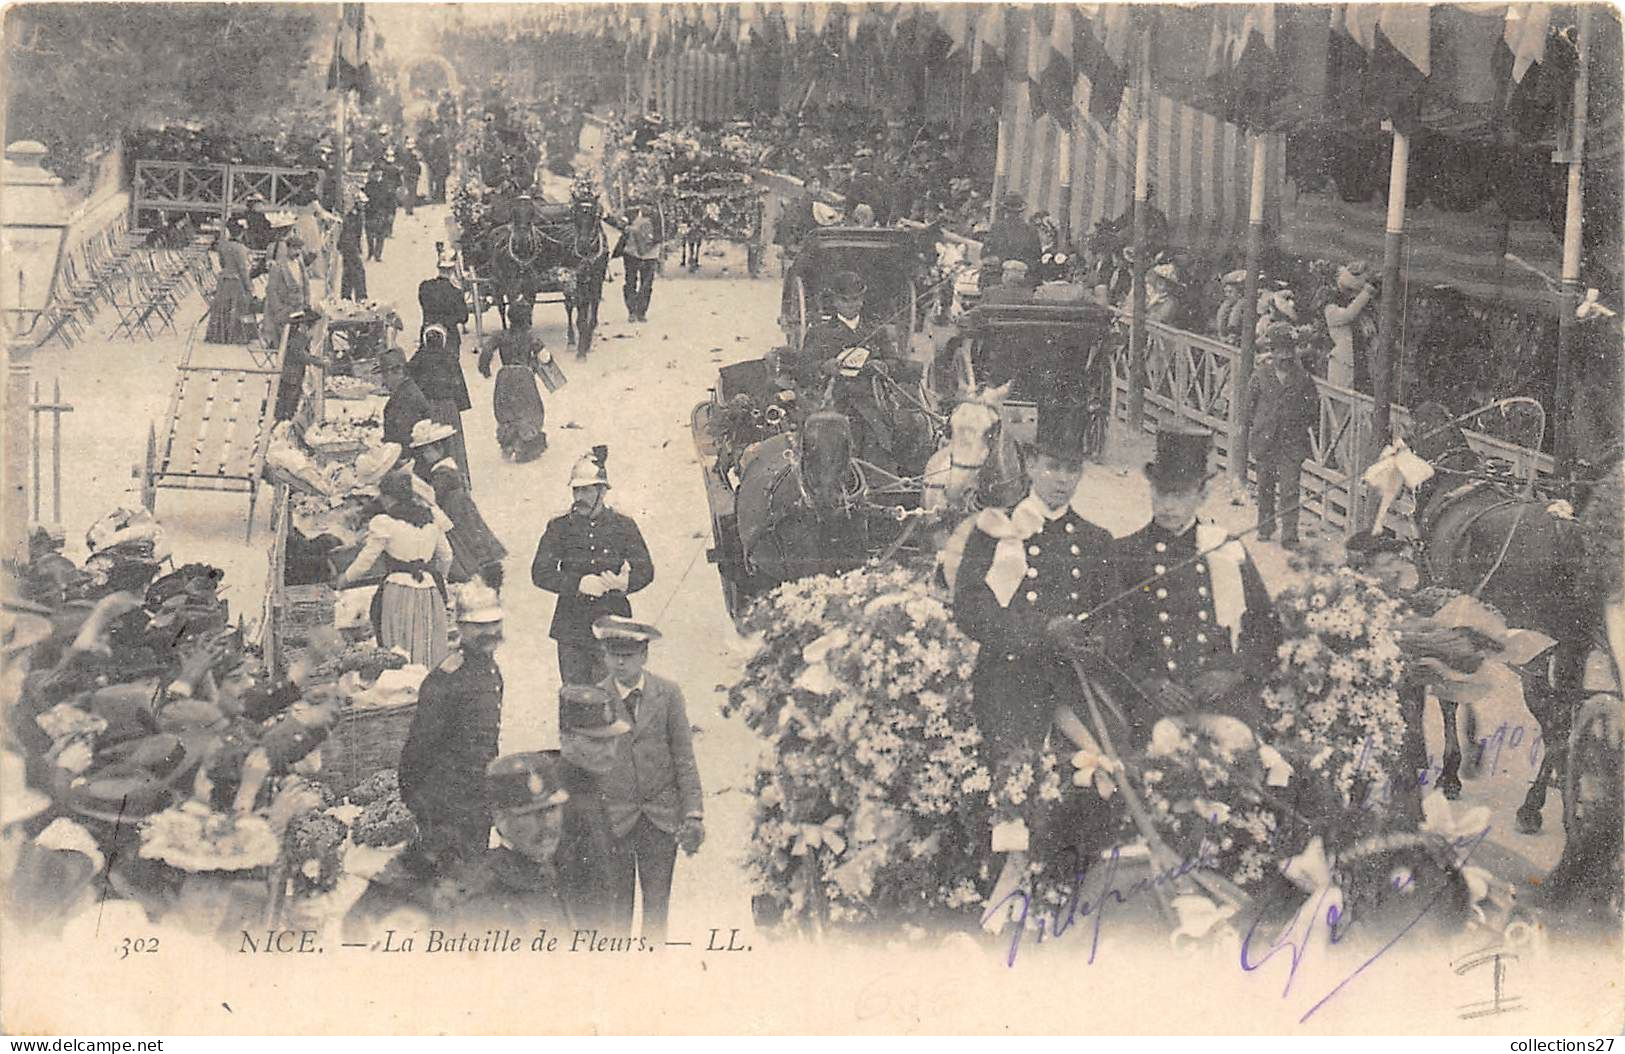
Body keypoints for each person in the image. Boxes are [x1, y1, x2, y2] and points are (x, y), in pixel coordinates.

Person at [954, 399, 1118, 776]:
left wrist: (1101, 640)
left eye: (1072, 469)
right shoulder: (995, 529)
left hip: (1075, 680)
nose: (1062, 480)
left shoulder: (1096, 540)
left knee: (1109, 766)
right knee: (1013, 776)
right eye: (1053, 467)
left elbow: (1114, 614)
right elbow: (969, 608)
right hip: (1010, 677)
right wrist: (1041, 630)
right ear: (1031, 465)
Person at [1110, 425, 1281, 748]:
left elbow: (1265, 626)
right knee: (1165, 747)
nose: (1168, 505)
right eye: (1161, 492)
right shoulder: (1127, 553)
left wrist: (1234, 672)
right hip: (1158, 701)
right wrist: (1150, 683)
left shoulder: (1224, 549)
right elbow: (1115, 637)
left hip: (1220, 695)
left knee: (1238, 742)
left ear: (1202, 494)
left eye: (1180, 494)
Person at [591, 616, 703, 943]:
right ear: (605, 656)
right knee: (615, 910)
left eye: (629, 655)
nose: (621, 662)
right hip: (615, 820)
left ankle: (653, 977)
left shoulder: (667, 694)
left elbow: (683, 756)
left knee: (657, 907)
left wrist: (693, 811)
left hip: (660, 818)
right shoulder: (594, 700)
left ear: (645, 656)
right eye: (614, 654)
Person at [397, 581, 506, 873]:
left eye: (494, 623)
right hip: (447, 804)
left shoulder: (491, 671)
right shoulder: (445, 680)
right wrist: (420, 804)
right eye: (478, 626)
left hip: (478, 799)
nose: (489, 632)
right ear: (460, 627)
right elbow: (418, 750)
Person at [530, 447, 655, 686]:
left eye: (586, 490)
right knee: (575, 696)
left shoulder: (622, 525)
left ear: (602, 491)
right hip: (571, 627)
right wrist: (577, 584)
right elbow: (540, 573)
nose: (579, 497)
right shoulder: (559, 527)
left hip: (613, 625)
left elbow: (646, 569)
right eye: (576, 490)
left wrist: (624, 583)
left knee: (612, 696)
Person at [336, 471, 452, 668]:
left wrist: (345, 578)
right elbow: (446, 555)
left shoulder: (385, 523)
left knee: (398, 639)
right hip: (429, 588)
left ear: (388, 497)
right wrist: (440, 578)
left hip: (398, 589)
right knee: (426, 638)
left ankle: (401, 682)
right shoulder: (431, 518)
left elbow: (366, 560)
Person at [555, 683, 630, 932]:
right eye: (596, 742)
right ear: (565, 739)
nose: (609, 751)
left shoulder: (597, 785)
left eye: (612, 741)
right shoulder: (560, 803)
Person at [409, 419, 507, 585]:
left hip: (454, 511)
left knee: (462, 542)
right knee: (472, 538)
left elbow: (434, 496)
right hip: (461, 509)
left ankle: (473, 572)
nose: (425, 456)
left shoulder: (442, 473)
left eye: (427, 452)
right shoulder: (446, 467)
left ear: (438, 449)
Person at [1246, 327, 1319, 548]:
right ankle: (1265, 526)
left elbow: (1312, 410)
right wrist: (1261, 425)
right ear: (1272, 353)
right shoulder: (1260, 375)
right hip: (1266, 440)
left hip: (1291, 442)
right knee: (1265, 485)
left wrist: (1297, 426)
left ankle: (1290, 536)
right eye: (1280, 353)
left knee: (1290, 489)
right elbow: (1249, 406)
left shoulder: (1304, 379)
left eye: (1289, 354)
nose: (1285, 359)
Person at [477, 297, 550, 462]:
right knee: (528, 410)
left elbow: (487, 350)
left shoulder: (501, 336)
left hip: (504, 376)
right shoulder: (530, 337)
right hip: (524, 376)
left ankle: (507, 442)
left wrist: (485, 368)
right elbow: (545, 357)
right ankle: (525, 443)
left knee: (506, 411)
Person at [408, 325, 472, 489]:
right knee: (453, 443)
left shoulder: (418, 358)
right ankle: (459, 479)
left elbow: (410, 381)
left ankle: (433, 481)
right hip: (449, 405)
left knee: (431, 443)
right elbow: (459, 386)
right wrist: (461, 404)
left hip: (428, 406)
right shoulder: (450, 357)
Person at [1323, 258, 1377, 393]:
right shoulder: (1331, 310)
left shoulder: (1360, 316)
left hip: (1360, 363)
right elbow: (1348, 315)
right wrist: (1366, 292)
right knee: (1340, 404)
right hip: (1343, 363)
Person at [205, 220, 255, 345]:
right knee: (238, 307)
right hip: (236, 281)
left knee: (222, 308)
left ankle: (219, 335)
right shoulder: (241, 248)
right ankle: (236, 336)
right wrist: (249, 286)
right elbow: (243, 269)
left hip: (224, 280)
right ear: (242, 233)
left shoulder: (223, 246)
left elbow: (222, 263)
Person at [260, 235, 310, 352]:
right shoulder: (278, 266)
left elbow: (306, 285)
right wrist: (279, 309)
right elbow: (271, 291)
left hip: (298, 307)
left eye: (299, 249)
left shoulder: (300, 265)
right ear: (287, 248)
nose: (297, 251)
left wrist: (307, 301)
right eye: (294, 248)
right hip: (284, 309)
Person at [418, 247, 470, 356]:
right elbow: (463, 317)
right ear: (452, 270)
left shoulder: (425, 286)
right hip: (449, 336)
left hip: (428, 332)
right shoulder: (455, 292)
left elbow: (423, 304)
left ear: (438, 267)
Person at [380, 346, 432, 449]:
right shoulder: (405, 389)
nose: (383, 382)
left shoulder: (406, 397)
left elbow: (402, 438)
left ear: (398, 372)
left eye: (384, 375)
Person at [620, 206, 660, 324]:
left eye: (649, 204)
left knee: (646, 285)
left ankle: (641, 311)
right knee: (630, 282)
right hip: (631, 253)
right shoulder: (630, 213)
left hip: (650, 254)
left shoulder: (658, 218)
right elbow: (620, 226)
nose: (647, 207)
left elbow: (661, 234)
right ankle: (632, 311)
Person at [984, 193, 1042, 274]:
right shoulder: (1031, 230)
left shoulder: (997, 228)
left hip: (1000, 273)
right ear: (1021, 212)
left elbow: (986, 252)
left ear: (1005, 211)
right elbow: (1036, 256)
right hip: (1023, 274)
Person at [338, 194, 368, 302]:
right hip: (349, 245)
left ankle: (346, 295)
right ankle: (360, 295)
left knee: (348, 271)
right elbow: (351, 231)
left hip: (349, 244)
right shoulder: (354, 215)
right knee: (358, 270)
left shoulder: (356, 214)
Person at [364, 168, 393, 262]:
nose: (376, 174)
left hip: (382, 211)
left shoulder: (386, 185)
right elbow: (365, 197)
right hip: (370, 212)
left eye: (378, 172)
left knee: (380, 235)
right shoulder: (368, 185)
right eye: (374, 172)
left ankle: (378, 254)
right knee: (369, 234)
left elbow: (391, 200)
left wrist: (390, 213)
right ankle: (370, 251)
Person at [399, 143, 422, 217]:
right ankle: (410, 209)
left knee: (408, 192)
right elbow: (418, 167)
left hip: (407, 176)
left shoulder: (405, 156)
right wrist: (418, 174)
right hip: (413, 176)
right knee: (412, 193)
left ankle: (408, 208)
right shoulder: (414, 157)